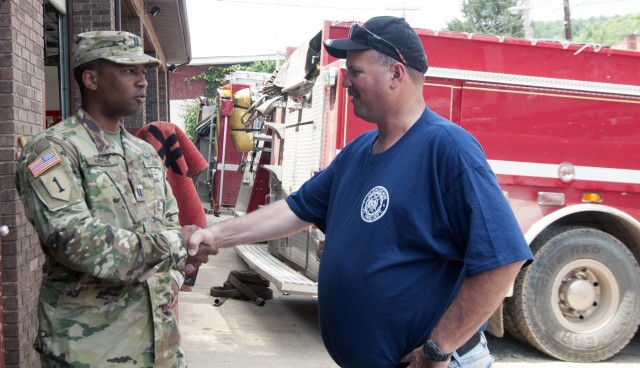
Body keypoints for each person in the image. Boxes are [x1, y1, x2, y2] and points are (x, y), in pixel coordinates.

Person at [188, 16, 534, 368]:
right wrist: (214, 234)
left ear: (397, 74)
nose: (346, 83)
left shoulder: (447, 149)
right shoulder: (358, 152)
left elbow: (504, 258)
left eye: (356, 72)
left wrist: (437, 348)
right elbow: (293, 211)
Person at [15, 31, 211, 367]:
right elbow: (74, 239)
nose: (142, 82)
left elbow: (169, 223)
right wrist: (177, 244)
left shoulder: (145, 153)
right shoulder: (51, 151)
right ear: (91, 79)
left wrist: (179, 269)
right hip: (91, 349)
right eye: (128, 71)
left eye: (144, 73)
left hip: (160, 345)